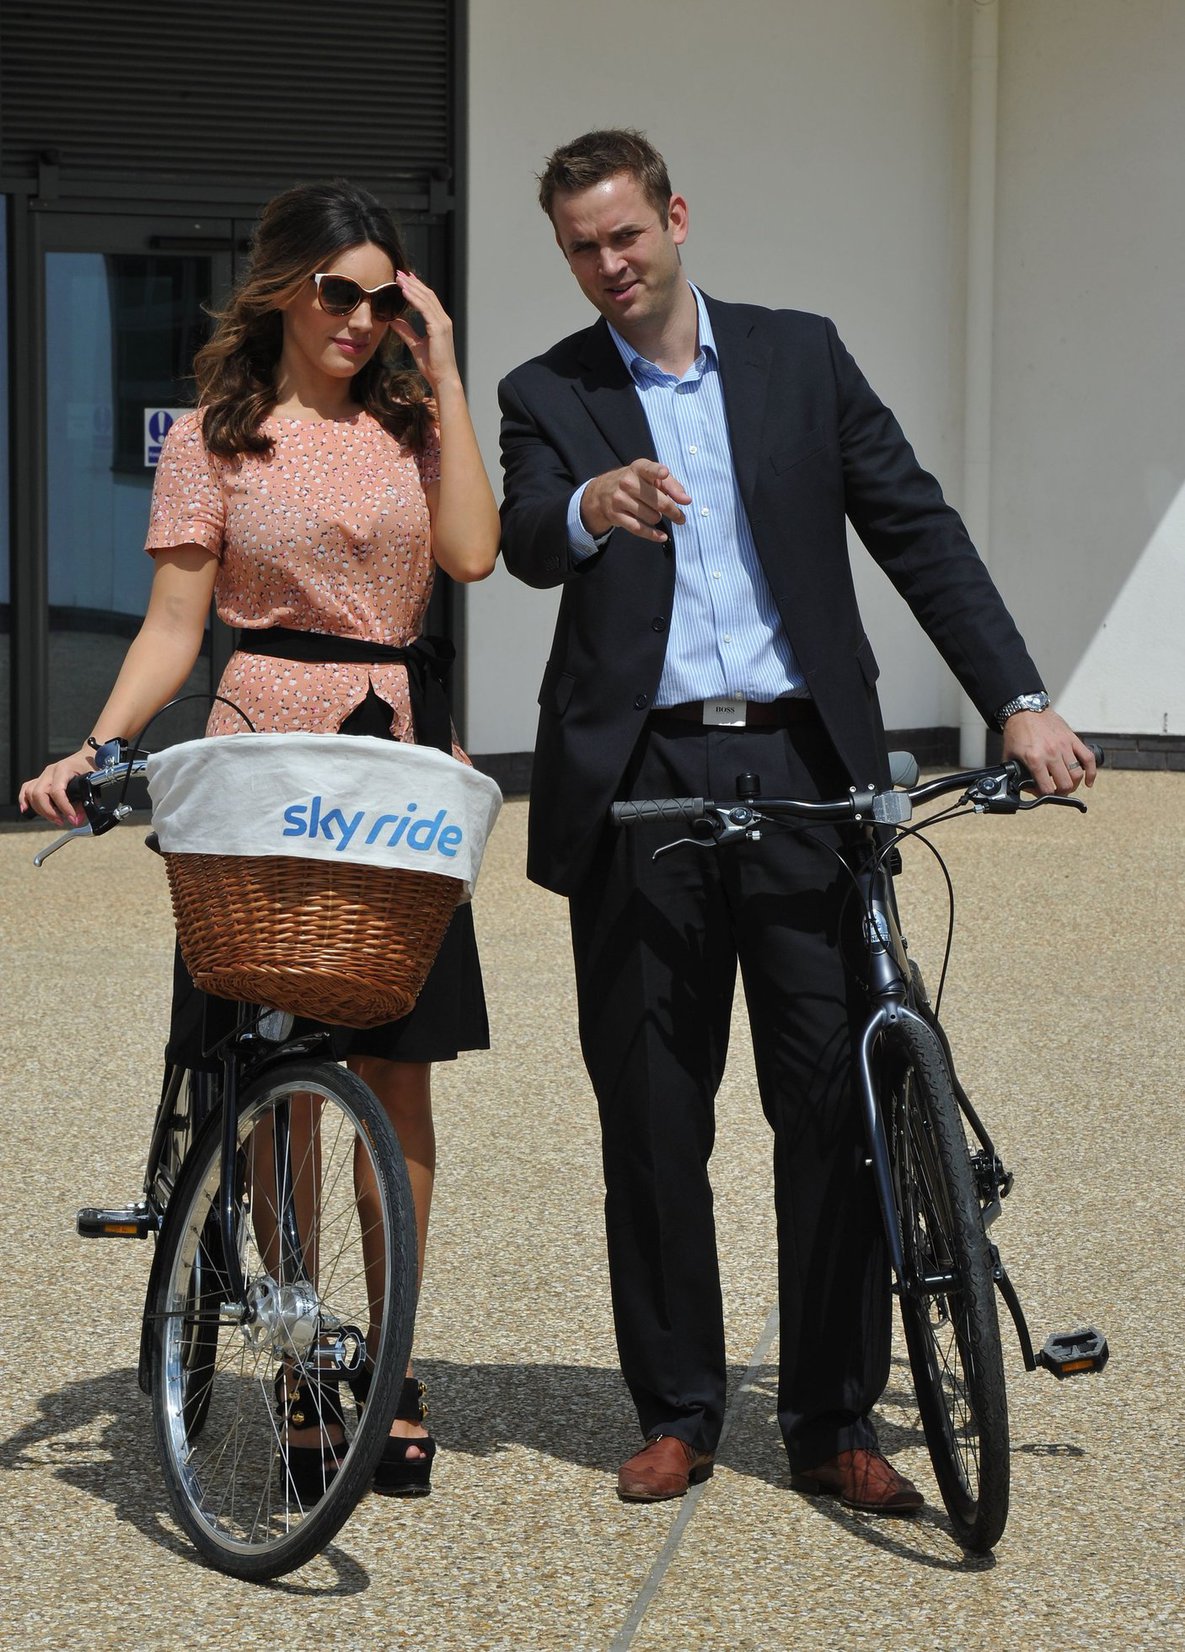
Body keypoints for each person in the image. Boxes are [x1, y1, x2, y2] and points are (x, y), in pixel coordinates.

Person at [498, 128, 1097, 1512]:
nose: (607, 264)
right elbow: (525, 535)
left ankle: (832, 1418)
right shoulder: (548, 389)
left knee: (834, 1107)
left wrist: (1016, 700)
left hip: (800, 764)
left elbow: (914, 528)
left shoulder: (798, 357)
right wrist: (590, 502)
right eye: (581, 248)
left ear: (675, 217)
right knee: (653, 1115)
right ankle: (677, 1409)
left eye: (624, 234)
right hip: (642, 779)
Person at [21, 178, 500, 1497]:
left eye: (381, 298)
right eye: (336, 291)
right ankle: (299, 1354)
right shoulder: (216, 438)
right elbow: (175, 626)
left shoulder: (414, 425)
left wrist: (447, 371)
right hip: (265, 753)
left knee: (398, 1072)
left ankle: (391, 1360)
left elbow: (472, 553)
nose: (357, 318)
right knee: (277, 1085)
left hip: (396, 757)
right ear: (283, 286)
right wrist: (98, 745)